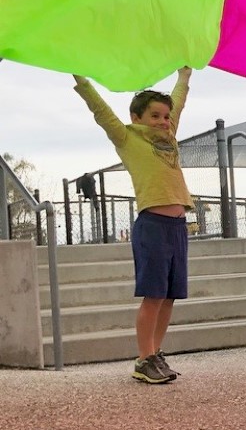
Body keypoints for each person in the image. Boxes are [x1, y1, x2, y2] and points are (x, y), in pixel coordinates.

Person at [73, 67, 193, 384]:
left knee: (169, 297)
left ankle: (155, 352)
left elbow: (177, 103)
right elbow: (102, 112)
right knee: (153, 296)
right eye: (156, 115)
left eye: (166, 116)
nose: (164, 121)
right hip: (152, 226)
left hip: (178, 228)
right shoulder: (127, 138)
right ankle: (143, 360)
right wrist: (81, 78)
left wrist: (184, 76)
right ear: (137, 117)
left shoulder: (168, 137)